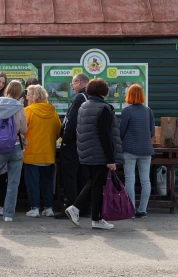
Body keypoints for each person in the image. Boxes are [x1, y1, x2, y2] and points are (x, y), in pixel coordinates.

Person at [65, 78, 123, 230]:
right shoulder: (103, 108)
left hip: (87, 153)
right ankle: (89, 215)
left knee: (94, 183)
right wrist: (111, 159)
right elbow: (105, 135)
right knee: (96, 185)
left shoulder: (84, 106)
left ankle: (90, 216)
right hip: (100, 154)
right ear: (104, 91)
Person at [0, 80, 28, 222]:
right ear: (19, 92)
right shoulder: (19, 107)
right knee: (13, 181)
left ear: (7, 89)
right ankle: (8, 214)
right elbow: (24, 129)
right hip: (15, 146)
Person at [54, 73, 90, 219]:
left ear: (78, 82)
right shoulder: (92, 97)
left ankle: (71, 208)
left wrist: (65, 139)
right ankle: (84, 208)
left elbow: (71, 122)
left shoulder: (79, 98)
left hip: (73, 144)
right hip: (86, 144)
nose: (71, 86)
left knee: (69, 177)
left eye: (72, 83)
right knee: (83, 176)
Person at [23, 84, 61, 218]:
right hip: (49, 153)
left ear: (32, 96)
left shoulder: (28, 111)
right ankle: (48, 208)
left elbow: (22, 130)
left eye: (28, 94)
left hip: (31, 153)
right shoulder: (53, 112)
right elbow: (58, 132)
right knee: (47, 182)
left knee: (33, 182)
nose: (26, 97)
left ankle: (34, 208)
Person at [120, 84, 155, 219]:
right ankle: (143, 210)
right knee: (145, 180)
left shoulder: (127, 111)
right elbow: (152, 132)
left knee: (130, 180)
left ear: (129, 95)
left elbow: (121, 131)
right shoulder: (148, 111)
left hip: (129, 149)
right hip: (146, 149)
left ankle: (131, 210)